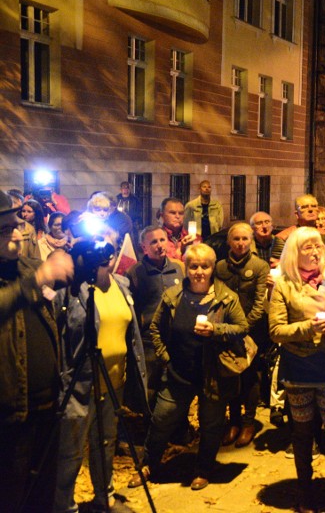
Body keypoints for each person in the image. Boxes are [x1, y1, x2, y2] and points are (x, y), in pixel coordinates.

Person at [129, 243, 249, 491]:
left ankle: (203, 469)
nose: (199, 272)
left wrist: (216, 330)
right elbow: (155, 329)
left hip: (212, 375)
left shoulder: (226, 298)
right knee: (162, 419)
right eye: (193, 266)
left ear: (212, 267)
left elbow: (242, 328)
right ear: (186, 268)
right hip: (178, 373)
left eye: (205, 266)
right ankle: (149, 465)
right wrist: (166, 359)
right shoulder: (173, 296)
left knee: (211, 423)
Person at [53, 219, 148, 512]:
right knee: (70, 451)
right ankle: (62, 505)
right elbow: (56, 332)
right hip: (79, 384)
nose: (106, 250)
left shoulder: (122, 284)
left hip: (114, 380)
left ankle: (103, 495)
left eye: (110, 243)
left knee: (105, 441)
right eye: (98, 244)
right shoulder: (70, 289)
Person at [268, 227, 325, 513]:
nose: (314, 251)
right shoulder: (284, 283)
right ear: (295, 252)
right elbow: (275, 330)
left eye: (317, 246)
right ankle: (305, 490)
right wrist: (308, 328)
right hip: (298, 368)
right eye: (307, 247)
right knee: (303, 431)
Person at [0, 191, 73, 512]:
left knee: (43, 494)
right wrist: (40, 278)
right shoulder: (29, 276)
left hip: (48, 404)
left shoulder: (27, 266)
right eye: (5, 229)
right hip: (11, 415)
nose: (17, 234)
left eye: (17, 225)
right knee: (12, 495)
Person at [216, 223, 269, 448]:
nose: (240, 243)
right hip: (227, 332)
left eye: (245, 239)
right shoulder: (220, 267)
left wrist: (244, 327)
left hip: (252, 330)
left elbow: (259, 302)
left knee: (250, 376)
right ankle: (234, 421)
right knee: (230, 375)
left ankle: (248, 422)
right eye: (236, 239)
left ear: (251, 241)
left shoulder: (259, 266)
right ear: (229, 242)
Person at [127, 226, 185, 405]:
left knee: (175, 383)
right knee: (151, 384)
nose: (159, 245)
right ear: (143, 247)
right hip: (149, 340)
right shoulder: (135, 273)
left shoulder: (178, 268)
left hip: (175, 338)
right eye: (153, 242)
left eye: (162, 240)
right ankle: (149, 424)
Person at [159, 197, 198, 262]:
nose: (177, 216)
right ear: (162, 215)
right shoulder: (156, 239)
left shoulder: (194, 238)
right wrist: (181, 250)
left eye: (181, 213)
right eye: (173, 213)